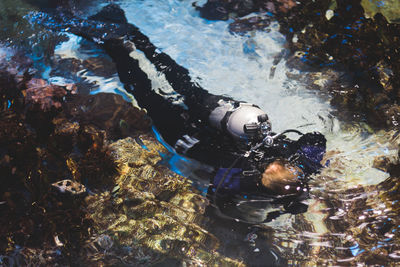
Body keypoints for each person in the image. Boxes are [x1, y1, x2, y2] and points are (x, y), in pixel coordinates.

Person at [36, 4, 327, 222]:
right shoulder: (243, 177)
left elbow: (316, 138)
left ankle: (131, 32)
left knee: (179, 79)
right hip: (187, 137)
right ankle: (114, 46)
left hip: (216, 114)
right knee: (146, 94)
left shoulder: (287, 152)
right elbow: (219, 198)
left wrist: (306, 169)